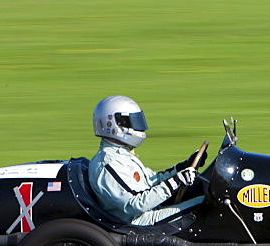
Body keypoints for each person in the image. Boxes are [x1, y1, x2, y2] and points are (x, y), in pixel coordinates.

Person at [88, 96, 207, 226]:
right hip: (140, 222)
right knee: (207, 204)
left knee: (203, 189)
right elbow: (134, 204)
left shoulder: (121, 154)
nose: (138, 127)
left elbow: (152, 181)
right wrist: (176, 181)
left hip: (150, 211)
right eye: (132, 121)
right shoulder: (107, 163)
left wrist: (182, 168)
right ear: (112, 124)